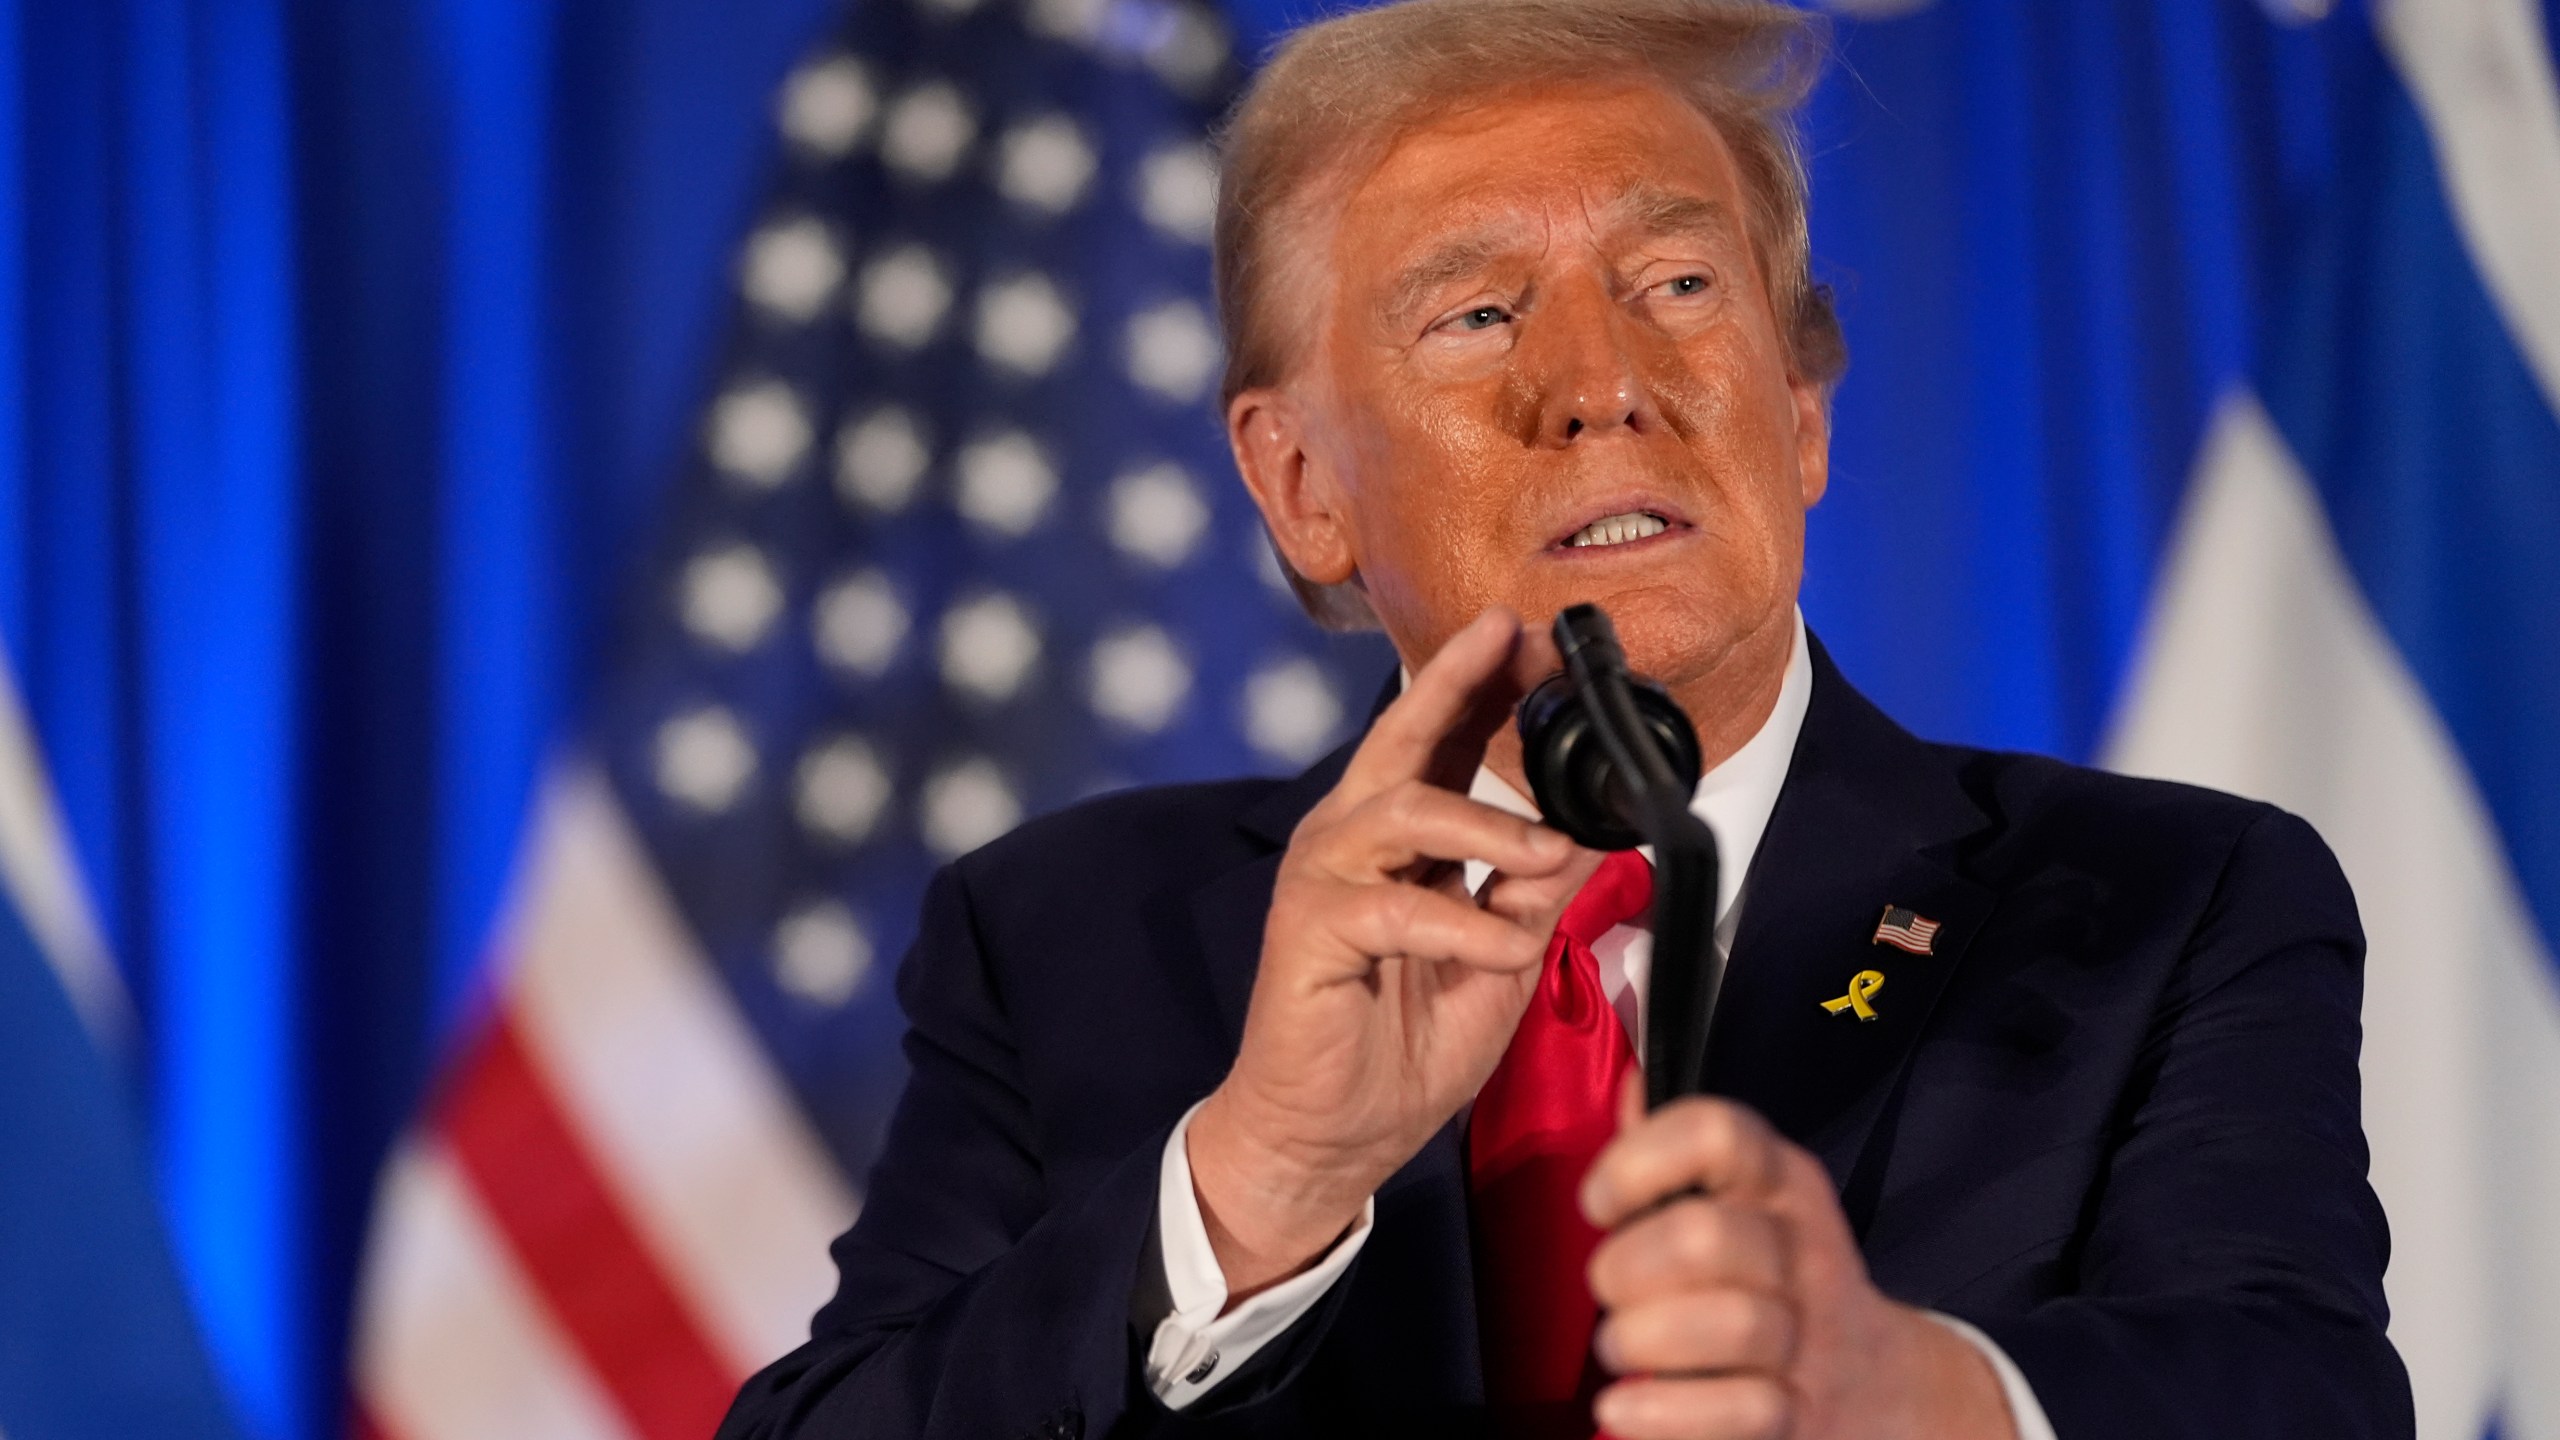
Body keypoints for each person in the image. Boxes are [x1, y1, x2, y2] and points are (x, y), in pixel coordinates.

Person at [718, 1, 2413, 1435]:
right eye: (1477, 314)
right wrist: (1257, 1182)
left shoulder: (2167, 901)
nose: (1602, 382)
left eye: (1677, 284)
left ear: (1800, 412)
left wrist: (1906, 1389)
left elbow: (2303, 1388)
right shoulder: (1065, 933)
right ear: (1303, 488)